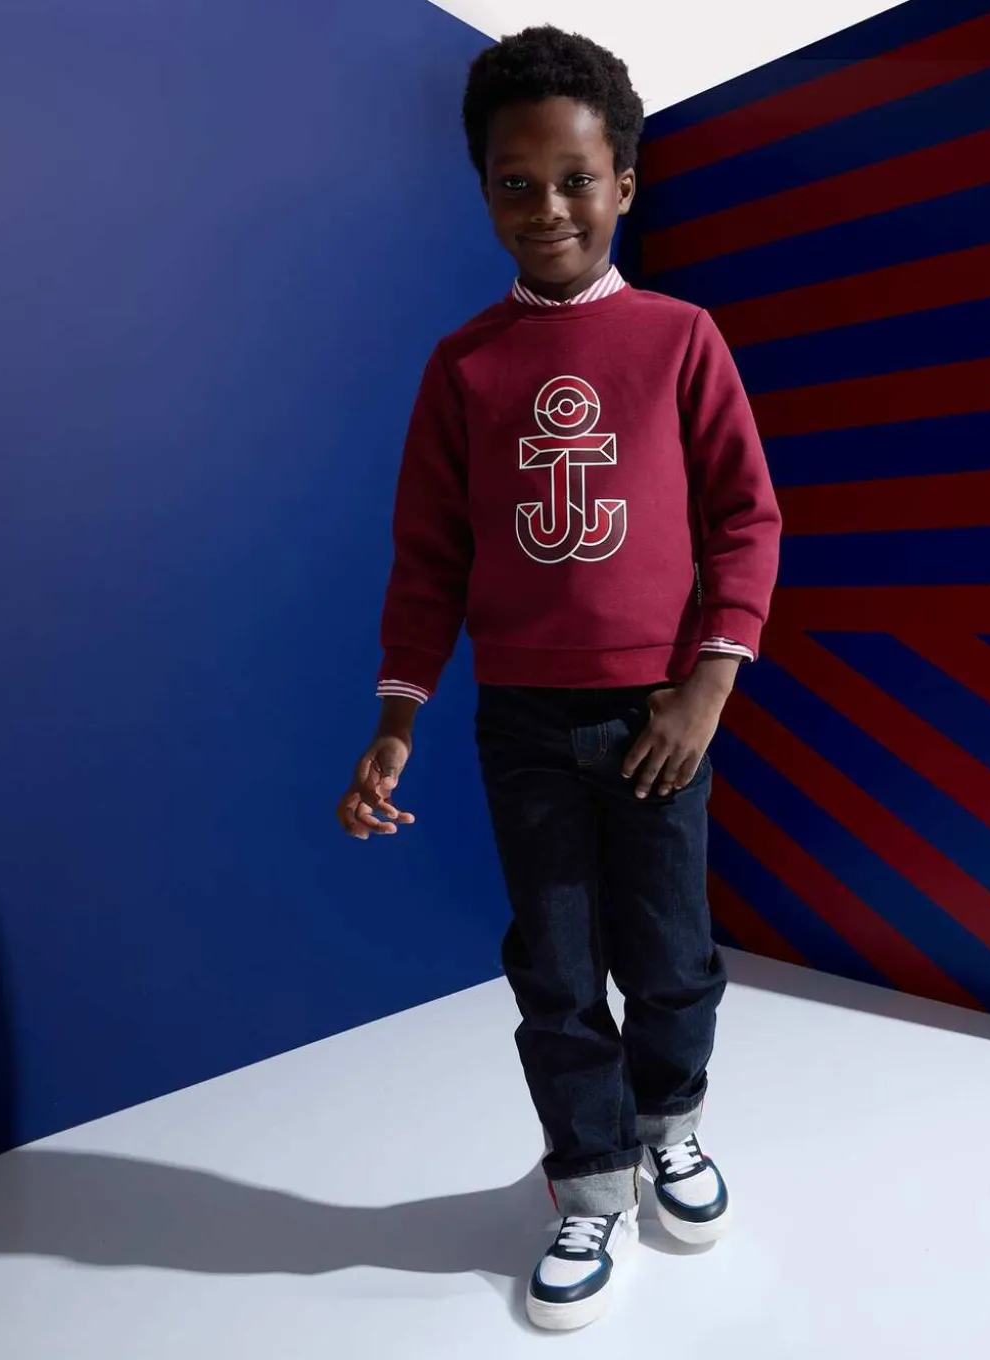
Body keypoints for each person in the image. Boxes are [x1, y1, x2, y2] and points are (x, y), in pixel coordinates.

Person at [336, 25, 780, 1332]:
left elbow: (745, 518)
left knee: (673, 951)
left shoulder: (681, 339)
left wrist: (705, 690)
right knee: (557, 961)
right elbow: (431, 555)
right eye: (515, 183)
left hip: (658, 715)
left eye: (577, 179)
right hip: (523, 721)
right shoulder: (464, 367)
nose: (548, 208)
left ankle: (671, 1126)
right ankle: (588, 1182)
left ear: (624, 185)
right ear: (483, 191)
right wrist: (397, 715)